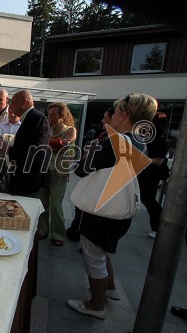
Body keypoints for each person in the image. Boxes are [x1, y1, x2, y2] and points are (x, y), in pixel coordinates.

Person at [66, 93, 157, 320]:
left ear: (124, 115)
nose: (112, 115)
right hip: (120, 212)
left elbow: (83, 169)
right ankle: (109, 288)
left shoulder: (116, 142)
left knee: (93, 257)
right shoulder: (139, 141)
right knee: (102, 251)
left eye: (115, 112)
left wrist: (88, 154)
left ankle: (96, 305)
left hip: (101, 211)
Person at [67, 107, 115, 242]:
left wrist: (88, 157)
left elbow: (85, 167)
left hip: (98, 189)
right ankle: (76, 230)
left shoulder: (112, 141)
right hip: (93, 185)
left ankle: (81, 235)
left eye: (105, 118)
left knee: (94, 256)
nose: (102, 120)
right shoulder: (104, 137)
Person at [38, 102, 77, 246]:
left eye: (53, 114)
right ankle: (42, 230)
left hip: (59, 172)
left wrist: (49, 142)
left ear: (62, 116)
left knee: (55, 204)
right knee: (42, 203)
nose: (50, 117)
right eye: (49, 114)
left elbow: (65, 143)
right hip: (45, 170)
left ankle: (58, 234)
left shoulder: (70, 130)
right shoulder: (49, 129)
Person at [8, 89, 50, 197]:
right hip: (22, 179)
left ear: (25, 101)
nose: (11, 106)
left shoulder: (37, 118)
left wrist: (9, 150)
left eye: (14, 102)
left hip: (28, 181)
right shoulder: (29, 118)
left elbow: (35, 149)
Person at [138, 112, 169, 239]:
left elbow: (159, 161)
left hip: (151, 174)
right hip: (144, 172)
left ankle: (158, 227)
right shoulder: (147, 138)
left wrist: (141, 158)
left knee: (148, 199)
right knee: (145, 198)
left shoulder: (159, 140)